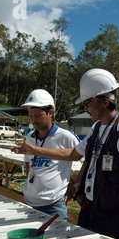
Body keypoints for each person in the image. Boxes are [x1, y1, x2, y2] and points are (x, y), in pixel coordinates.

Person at [12, 69, 119, 239]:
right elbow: (74, 154)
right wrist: (35, 151)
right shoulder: (96, 128)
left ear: (104, 102)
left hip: (113, 215)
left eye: (87, 103)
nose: (85, 109)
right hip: (90, 210)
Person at [20, 89, 81, 221]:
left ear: (50, 113)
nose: (34, 120)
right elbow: (28, 162)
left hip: (53, 206)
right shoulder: (30, 137)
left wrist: (75, 185)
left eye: (38, 115)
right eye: (31, 116)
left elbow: (86, 160)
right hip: (29, 202)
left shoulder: (66, 137)